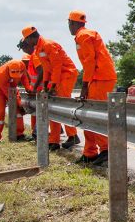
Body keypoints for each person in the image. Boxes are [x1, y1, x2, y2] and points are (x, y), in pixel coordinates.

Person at [18, 25, 80, 151]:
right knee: (52, 107)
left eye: (25, 41)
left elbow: (57, 66)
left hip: (66, 74)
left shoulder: (48, 45)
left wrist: (53, 85)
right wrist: (46, 85)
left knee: (61, 105)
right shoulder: (39, 48)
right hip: (56, 77)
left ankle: (72, 135)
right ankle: (54, 140)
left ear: (30, 38)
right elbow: (47, 69)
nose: (26, 44)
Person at [68, 10, 118, 165]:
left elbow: (90, 62)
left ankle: (106, 150)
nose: (68, 26)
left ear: (75, 23)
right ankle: (89, 152)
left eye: (69, 23)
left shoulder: (83, 35)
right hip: (98, 77)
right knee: (88, 115)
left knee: (95, 115)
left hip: (100, 78)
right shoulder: (84, 35)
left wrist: (84, 86)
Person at [0, 57, 29, 143]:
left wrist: (28, 88)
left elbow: (24, 78)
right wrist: (19, 103)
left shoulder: (22, 66)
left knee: (17, 111)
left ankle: (19, 134)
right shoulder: (1, 74)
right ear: (9, 70)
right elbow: (8, 93)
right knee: (0, 111)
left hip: (12, 88)